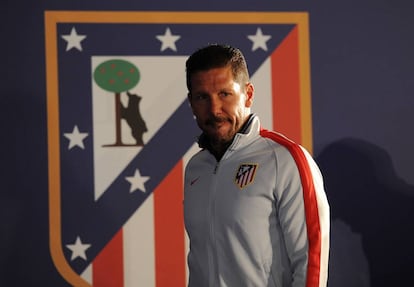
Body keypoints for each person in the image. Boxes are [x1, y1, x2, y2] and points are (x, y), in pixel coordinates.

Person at [183, 44, 330, 287]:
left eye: (225, 94)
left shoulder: (285, 159)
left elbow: (312, 262)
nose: (214, 109)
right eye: (202, 97)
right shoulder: (196, 167)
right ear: (191, 102)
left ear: (248, 94)